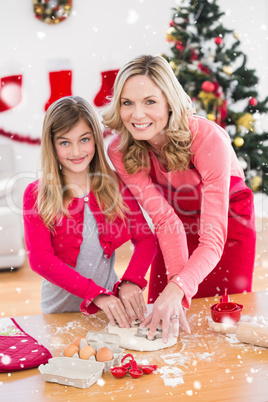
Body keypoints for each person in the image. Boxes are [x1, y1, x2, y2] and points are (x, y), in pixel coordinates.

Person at [103, 54, 256, 342]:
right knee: (164, 315)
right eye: (127, 103)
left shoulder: (207, 139)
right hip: (173, 224)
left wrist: (179, 287)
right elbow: (164, 219)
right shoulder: (120, 150)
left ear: (169, 102)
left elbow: (212, 239)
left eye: (150, 101)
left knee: (223, 326)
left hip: (228, 221)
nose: (137, 115)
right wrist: (176, 283)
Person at [23, 95, 156, 327]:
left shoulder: (114, 185)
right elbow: (40, 260)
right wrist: (94, 293)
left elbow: (145, 238)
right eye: (65, 142)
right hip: (60, 313)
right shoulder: (37, 194)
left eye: (84, 140)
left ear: (95, 138)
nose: (76, 151)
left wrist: (131, 281)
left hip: (108, 311)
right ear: (51, 145)